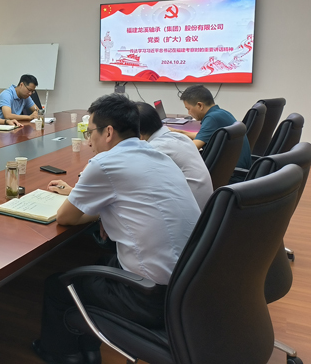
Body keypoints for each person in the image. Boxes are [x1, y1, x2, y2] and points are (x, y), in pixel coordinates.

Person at [32, 94, 200, 364]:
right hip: (188, 286)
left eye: (90, 133)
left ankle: (63, 355)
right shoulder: (159, 156)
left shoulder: (105, 163)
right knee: (100, 262)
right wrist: (102, 210)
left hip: (149, 297)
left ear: (108, 132)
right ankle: (89, 349)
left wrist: (94, 209)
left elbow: (65, 217)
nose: (89, 141)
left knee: (58, 285)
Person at [137, 102, 213, 210]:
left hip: (191, 213)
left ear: (139, 135)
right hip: (206, 210)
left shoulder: (155, 150)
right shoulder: (181, 138)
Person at [172, 84, 252, 170]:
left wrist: (167, 149)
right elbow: (203, 136)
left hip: (230, 172)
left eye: (189, 109)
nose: (189, 113)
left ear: (200, 105)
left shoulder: (212, 118)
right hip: (234, 168)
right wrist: (179, 132)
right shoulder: (221, 113)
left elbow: (192, 148)